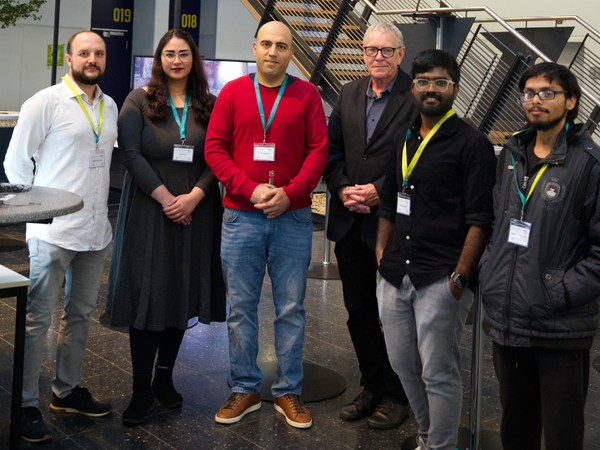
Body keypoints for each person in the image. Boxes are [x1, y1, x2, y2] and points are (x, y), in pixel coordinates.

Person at [205, 21, 328, 429]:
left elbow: (318, 152)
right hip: (242, 216)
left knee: (290, 308)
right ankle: (245, 387)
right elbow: (215, 149)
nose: (273, 52)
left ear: (291, 53)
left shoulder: (307, 94)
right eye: (267, 44)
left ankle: (288, 391)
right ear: (254, 47)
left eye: (282, 46)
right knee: (241, 308)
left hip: (292, 218)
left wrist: (290, 194)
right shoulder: (233, 93)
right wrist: (250, 188)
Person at [375, 49, 496, 450]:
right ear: (413, 87)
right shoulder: (404, 136)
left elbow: (481, 217)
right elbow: (390, 201)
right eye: (423, 81)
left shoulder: (471, 143)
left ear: (455, 89)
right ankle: (429, 437)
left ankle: (441, 446)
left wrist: (460, 278)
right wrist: (381, 253)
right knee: (403, 366)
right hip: (395, 273)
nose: (431, 89)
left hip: (440, 277)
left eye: (440, 82)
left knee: (438, 372)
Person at [107, 29, 226, 425]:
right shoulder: (138, 100)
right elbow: (130, 154)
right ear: (159, 59)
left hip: (196, 212)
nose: (177, 60)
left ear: (195, 59)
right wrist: (166, 199)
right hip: (149, 212)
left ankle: (164, 380)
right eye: (169, 54)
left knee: (180, 292)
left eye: (184, 54)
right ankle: (140, 389)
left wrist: (193, 197)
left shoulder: (208, 104)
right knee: (148, 296)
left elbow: (218, 157)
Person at [4, 31, 117, 442]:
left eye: (98, 53)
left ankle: (66, 391)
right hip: (53, 232)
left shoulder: (109, 105)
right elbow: (16, 164)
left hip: (94, 231)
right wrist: (37, 214)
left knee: (80, 315)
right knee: (37, 320)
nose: (92, 58)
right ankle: (26, 403)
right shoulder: (45, 102)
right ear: (68, 58)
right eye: (84, 52)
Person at [479, 62, 600, 450]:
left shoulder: (589, 164)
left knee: (562, 432)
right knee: (516, 426)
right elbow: (498, 223)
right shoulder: (510, 154)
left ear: (571, 102)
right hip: (508, 317)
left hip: (558, 324)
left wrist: (557, 291)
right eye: (529, 92)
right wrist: (490, 269)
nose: (536, 100)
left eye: (548, 93)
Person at [323, 22, 417, 429]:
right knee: (359, 311)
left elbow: (421, 158)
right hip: (349, 221)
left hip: (391, 224)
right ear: (362, 53)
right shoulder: (347, 92)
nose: (377, 56)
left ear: (400, 53)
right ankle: (371, 386)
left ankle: (397, 395)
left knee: (396, 315)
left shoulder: (416, 96)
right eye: (370, 49)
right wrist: (343, 189)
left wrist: (380, 191)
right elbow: (332, 150)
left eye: (386, 50)